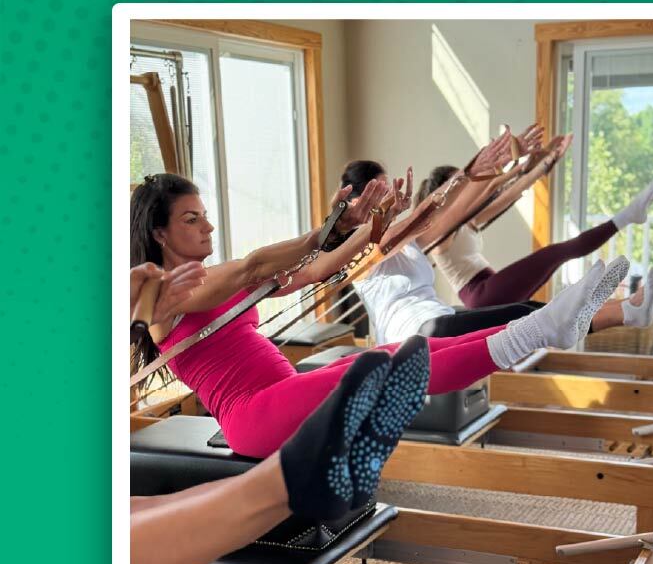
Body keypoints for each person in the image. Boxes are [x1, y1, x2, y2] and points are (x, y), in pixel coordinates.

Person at [130, 172, 627, 459]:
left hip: (283, 398)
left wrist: (363, 230)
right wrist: (323, 227)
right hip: (254, 417)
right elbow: (257, 264)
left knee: (401, 351)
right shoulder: (163, 299)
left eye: (205, 214)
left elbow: (317, 268)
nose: (208, 226)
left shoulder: (215, 278)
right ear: (158, 233)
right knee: (377, 364)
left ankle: (545, 327)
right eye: (192, 219)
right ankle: (542, 328)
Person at [129, 276, 430, 564]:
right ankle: (289, 481)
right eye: (191, 220)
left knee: (131, 510)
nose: (207, 229)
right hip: (246, 415)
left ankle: (293, 479)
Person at [346, 162, 653, 345]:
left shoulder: (414, 239)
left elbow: (483, 199)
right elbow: (436, 214)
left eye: (389, 189)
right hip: (415, 333)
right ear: (358, 201)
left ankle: (627, 310)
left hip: (439, 315)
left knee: (529, 308)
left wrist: (536, 167)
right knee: (535, 300)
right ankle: (620, 307)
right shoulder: (360, 247)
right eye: (381, 191)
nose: (390, 197)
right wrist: (473, 173)